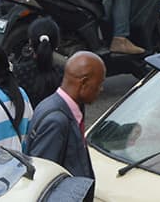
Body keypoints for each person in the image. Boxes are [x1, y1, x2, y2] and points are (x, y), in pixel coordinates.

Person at [24, 50, 105, 180]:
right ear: (83, 83)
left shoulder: (56, 106)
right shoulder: (56, 121)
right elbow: (43, 179)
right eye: (99, 84)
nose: (101, 89)